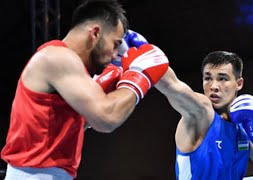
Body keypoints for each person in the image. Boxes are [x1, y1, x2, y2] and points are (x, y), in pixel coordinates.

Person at [0, 1, 168, 180]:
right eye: (115, 44)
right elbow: (107, 118)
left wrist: (109, 88)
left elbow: (85, 123)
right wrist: (139, 75)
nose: (114, 55)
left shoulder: (68, 67)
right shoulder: (58, 57)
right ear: (95, 33)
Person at [155, 51, 253, 179]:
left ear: (239, 84)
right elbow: (173, 87)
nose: (214, 86)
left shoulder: (243, 125)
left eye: (222, 78)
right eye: (208, 78)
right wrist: (149, 57)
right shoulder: (201, 112)